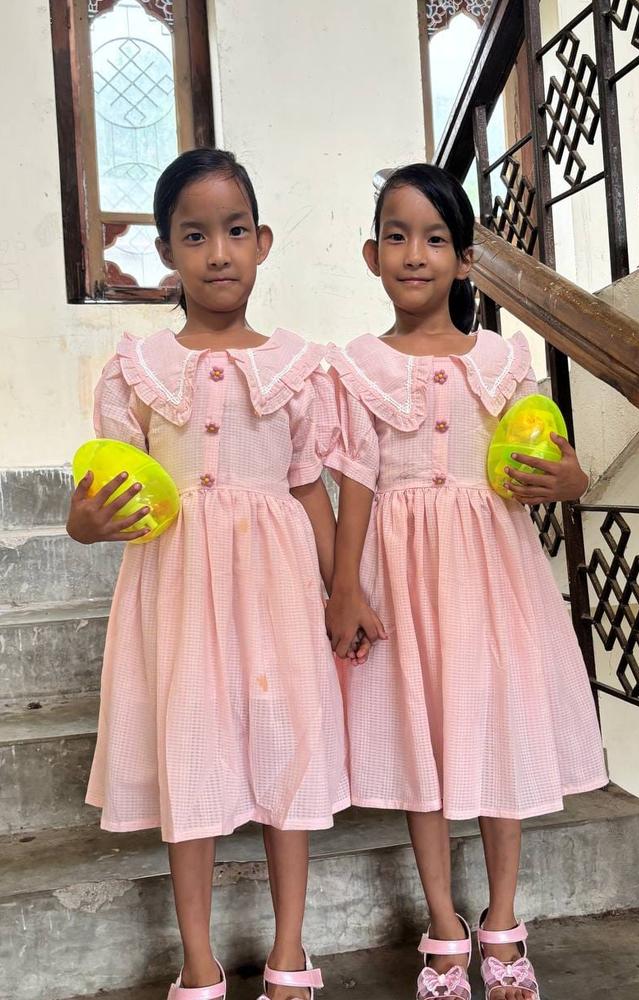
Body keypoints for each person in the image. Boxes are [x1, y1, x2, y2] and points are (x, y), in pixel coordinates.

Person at [67, 148, 349, 1000]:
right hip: (181, 595)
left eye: (233, 232)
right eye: (195, 236)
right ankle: (198, 961)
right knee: (191, 753)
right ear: (166, 253)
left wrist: (343, 592)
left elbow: (310, 488)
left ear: (262, 242)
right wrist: (84, 523)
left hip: (280, 594)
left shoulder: (301, 368)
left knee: (287, 752)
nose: (217, 253)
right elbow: (102, 492)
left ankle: (291, 951)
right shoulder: (137, 370)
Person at [324, 163, 608, 1000]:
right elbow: (356, 487)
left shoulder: (501, 358)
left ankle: (504, 921)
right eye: (399, 236)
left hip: (491, 572)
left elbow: (551, 455)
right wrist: (344, 587)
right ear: (372, 254)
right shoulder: (358, 368)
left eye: (436, 238)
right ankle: (442, 923)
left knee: (495, 729)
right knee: (423, 733)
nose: (417, 254)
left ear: (464, 260)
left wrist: (573, 479)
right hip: (401, 571)